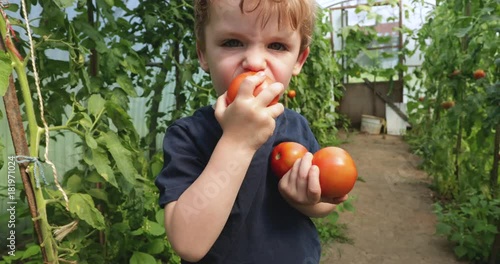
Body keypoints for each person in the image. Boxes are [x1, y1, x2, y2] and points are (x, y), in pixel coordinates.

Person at [155, 0, 348, 263]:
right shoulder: (188, 136)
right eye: (232, 42)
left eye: (277, 46)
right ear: (203, 53)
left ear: (299, 60)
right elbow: (188, 243)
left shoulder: (296, 126)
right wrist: (237, 142)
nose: (255, 63)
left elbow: (323, 203)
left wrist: (307, 199)